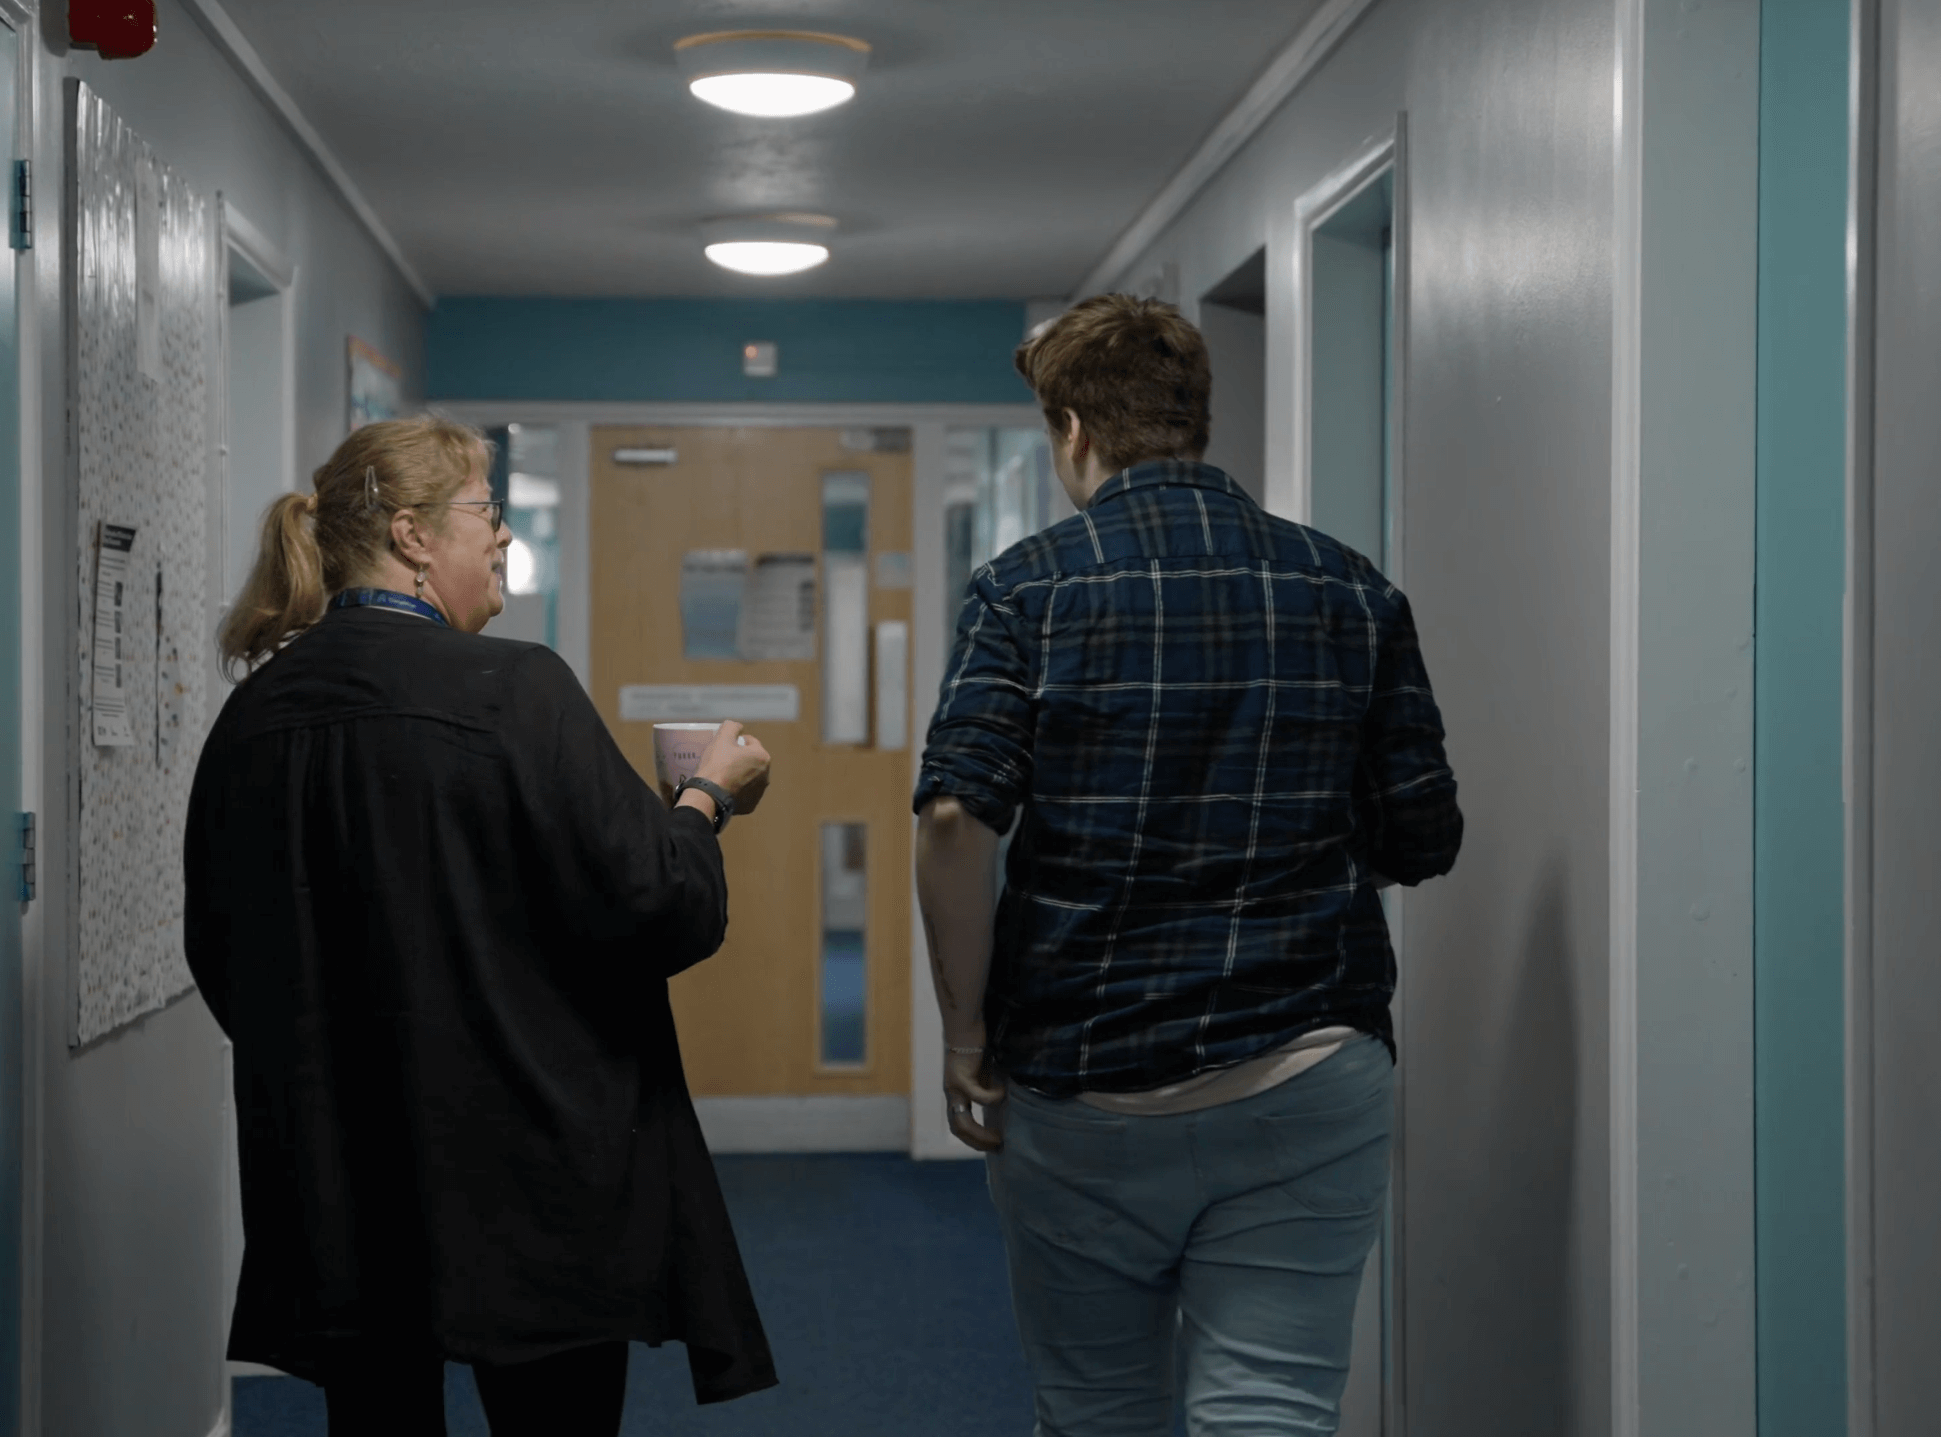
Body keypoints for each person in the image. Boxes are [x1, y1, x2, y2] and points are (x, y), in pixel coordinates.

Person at [913, 295, 1463, 1436]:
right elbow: (1424, 836)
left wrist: (966, 1039)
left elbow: (957, 819)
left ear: (1071, 429)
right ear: (1193, 419)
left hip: (1083, 1077)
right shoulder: (1347, 586)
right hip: (1306, 1070)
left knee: (1099, 1409)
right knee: (1268, 1410)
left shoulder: (1027, 588)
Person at [183, 416, 779, 1436]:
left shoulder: (256, 714)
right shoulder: (517, 689)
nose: (501, 537)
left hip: (337, 1167)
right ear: (413, 537)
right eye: (485, 513)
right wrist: (704, 802)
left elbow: (221, 951)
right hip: (534, 1165)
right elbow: (661, 906)